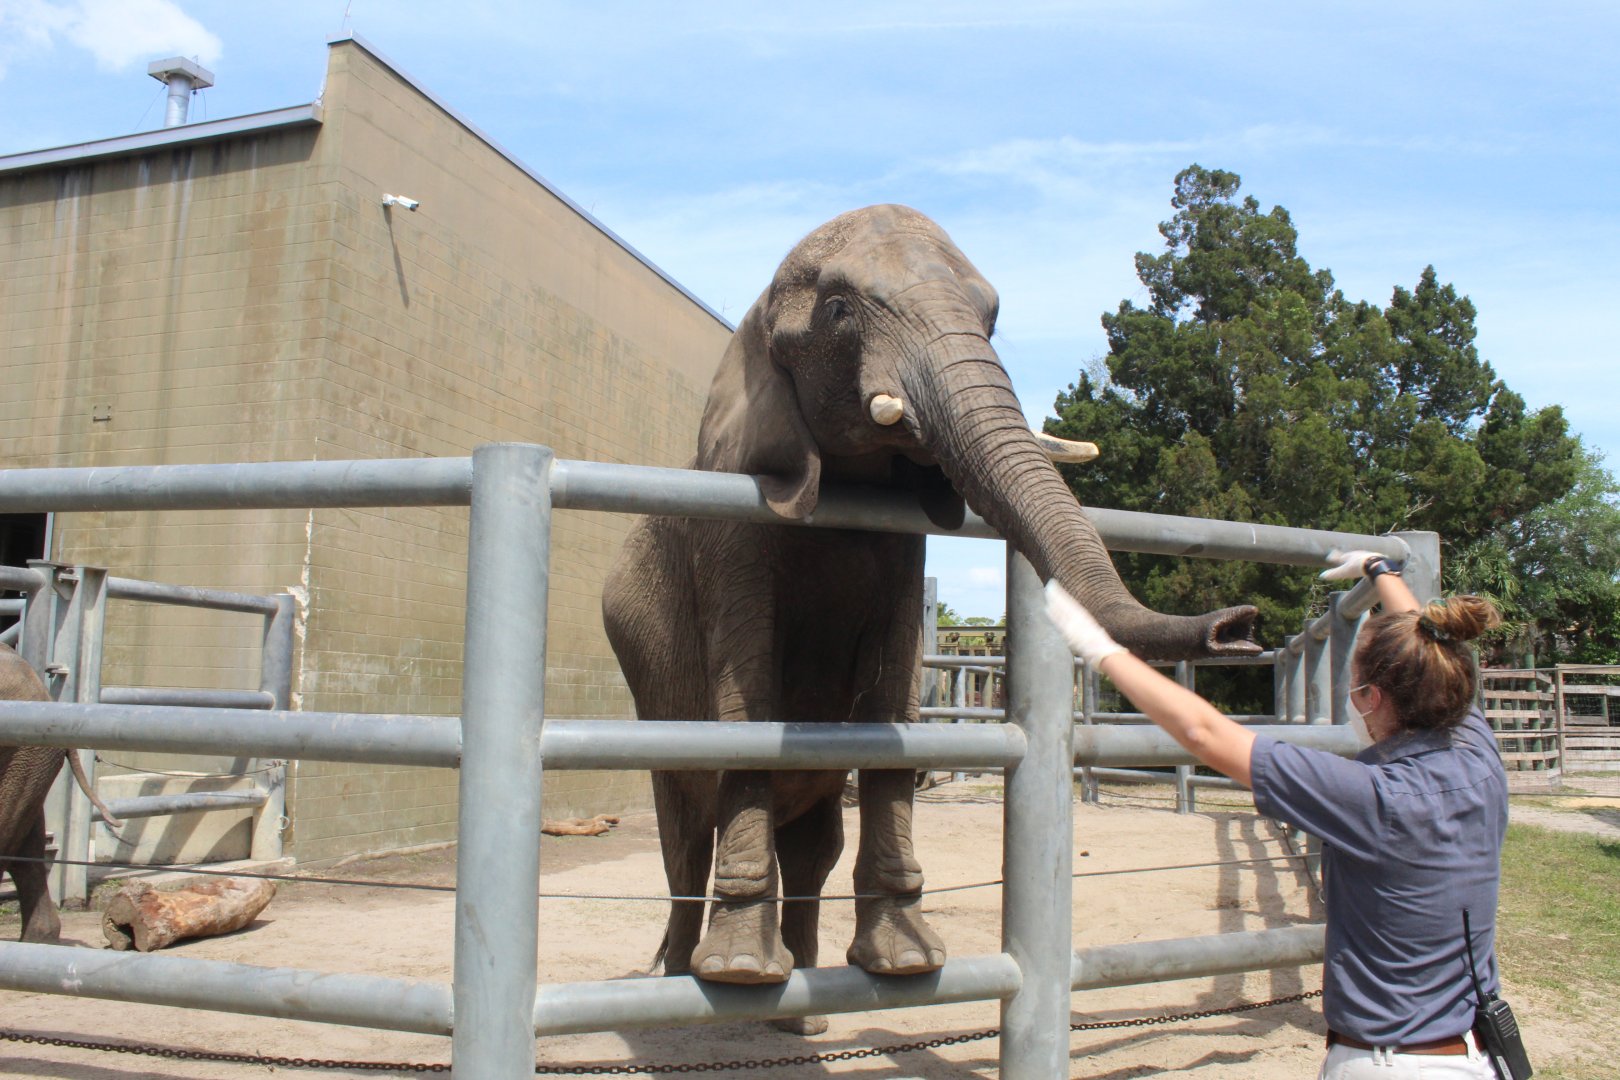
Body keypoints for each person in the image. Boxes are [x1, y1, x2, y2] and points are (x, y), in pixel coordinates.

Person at [1045, 551, 1508, 1080]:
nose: (1352, 702)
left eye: (1354, 690)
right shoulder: (1476, 751)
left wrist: (1103, 651)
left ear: (1374, 697)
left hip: (1387, 1063)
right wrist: (1380, 572)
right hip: (1471, 1054)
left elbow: (1206, 734)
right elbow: (1428, 637)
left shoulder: (1374, 797)